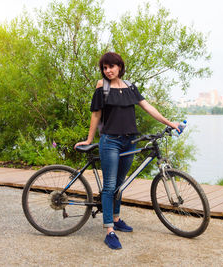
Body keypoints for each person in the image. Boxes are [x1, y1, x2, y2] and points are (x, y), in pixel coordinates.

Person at [74, 52, 180, 250]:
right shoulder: (102, 87)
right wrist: (89, 139)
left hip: (129, 141)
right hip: (110, 142)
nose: (108, 71)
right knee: (110, 185)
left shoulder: (130, 87)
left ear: (120, 67)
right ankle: (109, 231)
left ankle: (116, 218)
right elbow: (96, 115)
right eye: (105, 68)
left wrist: (169, 122)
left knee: (120, 184)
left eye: (111, 67)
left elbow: (148, 107)